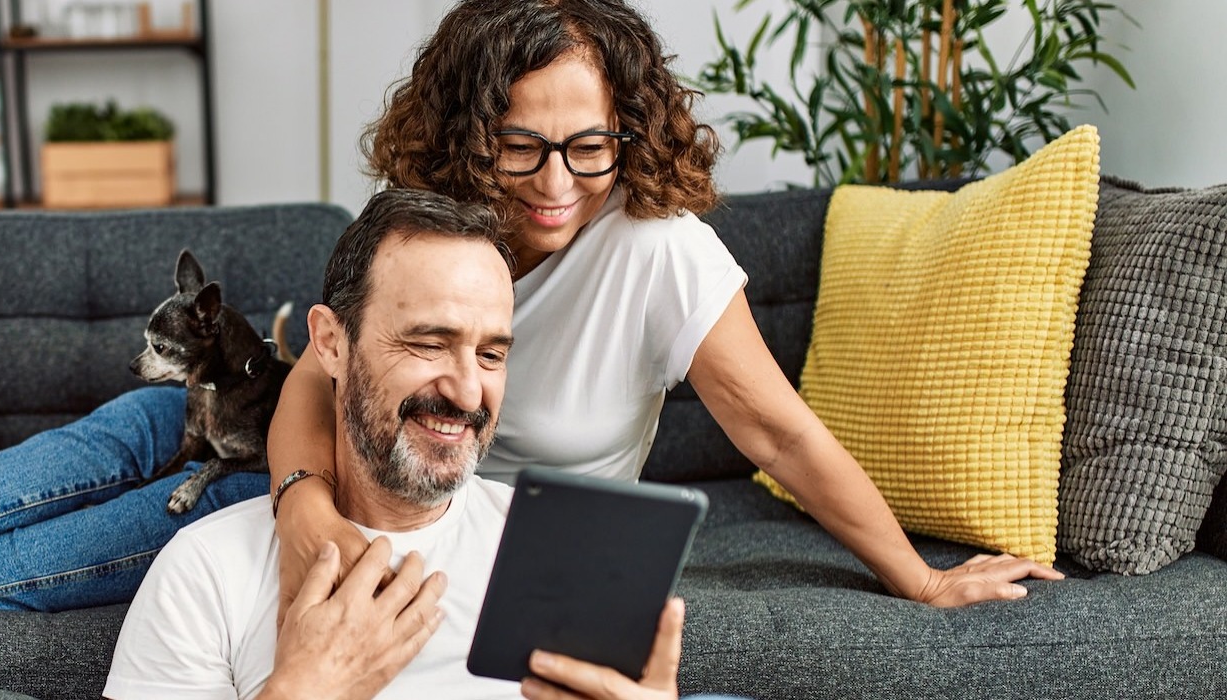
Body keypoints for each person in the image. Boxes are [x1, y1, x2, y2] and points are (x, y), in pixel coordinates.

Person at [266, 0, 1063, 615]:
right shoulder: (432, 224)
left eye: (589, 148)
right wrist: (302, 506)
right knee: (157, 430)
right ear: (467, 137)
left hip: (502, 558)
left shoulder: (660, 252)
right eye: (519, 146)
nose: (555, 186)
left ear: (630, 134)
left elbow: (779, 435)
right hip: (350, 498)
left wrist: (922, 581)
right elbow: (315, 378)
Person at [106, 186, 705, 700]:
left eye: (492, 354)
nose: (469, 392)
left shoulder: (567, 559)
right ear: (331, 345)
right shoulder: (205, 572)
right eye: (428, 344)